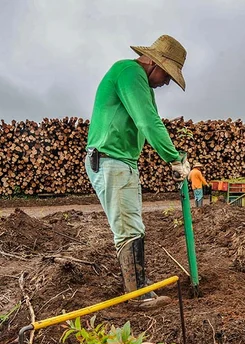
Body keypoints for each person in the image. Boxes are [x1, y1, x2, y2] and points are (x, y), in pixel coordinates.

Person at [85, 35, 191, 309]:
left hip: (122, 161)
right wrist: (174, 158)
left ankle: (140, 285)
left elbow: (148, 122)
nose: (167, 82)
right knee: (128, 227)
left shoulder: (140, 82)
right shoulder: (130, 72)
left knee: (132, 225)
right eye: (167, 75)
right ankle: (136, 296)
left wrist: (174, 156)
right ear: (154, 63)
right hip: (111, 160)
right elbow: (148, 122)